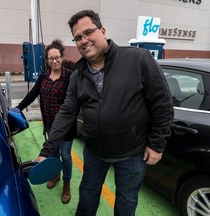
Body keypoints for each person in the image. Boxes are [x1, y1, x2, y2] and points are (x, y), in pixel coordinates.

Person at [37, 10, 174, 215]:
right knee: (87, 196)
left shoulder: (138, 59)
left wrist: (156, 144)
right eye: (77, 38)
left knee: (126, 203)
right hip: (94, 154)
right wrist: (47, 151)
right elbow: (66, 112)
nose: (83, 41)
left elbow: (162, 104)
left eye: (88, 32)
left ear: (102, 31)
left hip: (132, 154)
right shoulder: (78, 75)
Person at [17, 39, 76, 204]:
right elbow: (32, 94)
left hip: (66, 127)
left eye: (57, 57)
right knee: (53, 153)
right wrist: (18, 108)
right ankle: (55, 174)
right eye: (51, 58)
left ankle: (66, 184)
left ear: (61, 57)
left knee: (66, 156)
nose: (55, 61)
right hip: (50, 124)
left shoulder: (70, 76)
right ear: (47, 60)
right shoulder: (44, 76)